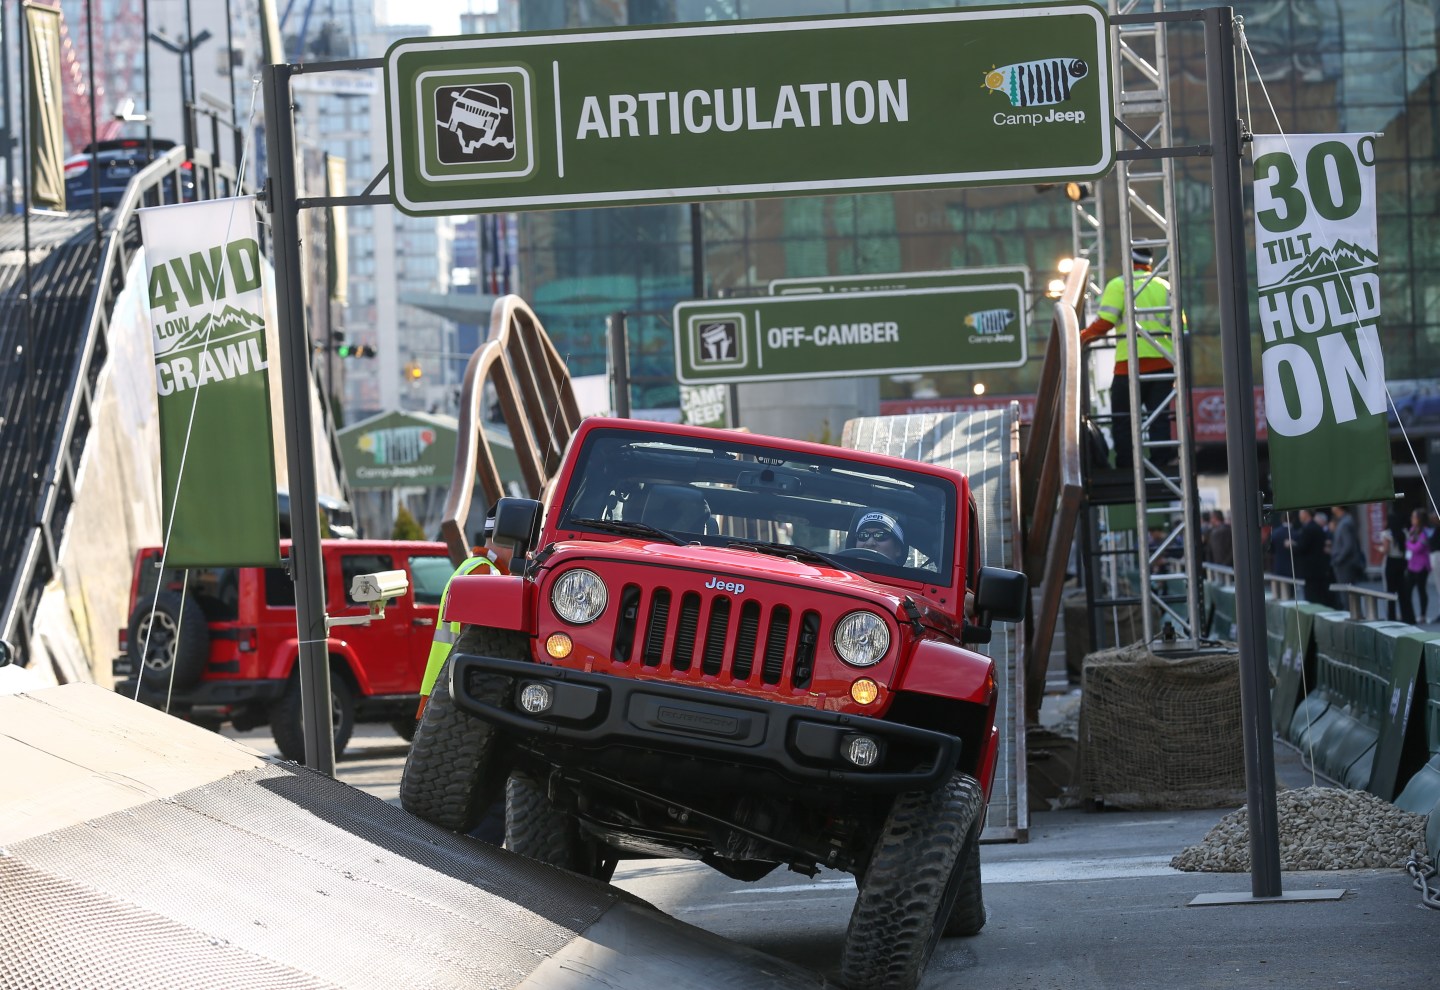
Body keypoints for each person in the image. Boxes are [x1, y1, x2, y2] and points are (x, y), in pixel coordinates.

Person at [1080, 246, 1181, 470]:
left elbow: (1104, 323)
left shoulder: (1120, 285)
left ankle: (1127, 465)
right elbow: (1180, 327)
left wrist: (1081, 338)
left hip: (1130, 366)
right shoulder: (1165, 286)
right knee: (1159, 417)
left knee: (1123, 417)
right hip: (1164, 363)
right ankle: (1161, 463)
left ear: (1127, 259)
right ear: (1149, 263)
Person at [1293, 508, 1332, 606]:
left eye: (1301, 513)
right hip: (1318, 568)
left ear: (1306, 514)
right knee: (1319, 596)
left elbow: (1302, 547)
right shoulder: (1316, 527)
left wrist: (1293, 545)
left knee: (1312, 598)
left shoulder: (1308, 529)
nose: (1299, 516)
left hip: (1311, 570)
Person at [1379, 509, 1411, 623]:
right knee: (1402, 592)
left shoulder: (1387, 534)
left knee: (1390, 591)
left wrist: (1380, 549)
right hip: (1401, 562)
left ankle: (1391, 617)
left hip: (1391, 562)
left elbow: (1386, 550)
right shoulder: (1404, 533)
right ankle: (1406, 616)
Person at [1405, 508, 1432, 624]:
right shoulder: (1412, 530)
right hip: (1412, 565)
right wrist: (1409, 544)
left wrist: (1408, 544)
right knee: (1407, 590)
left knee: (1421, 590)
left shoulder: (1425, 532)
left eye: (1414, 517)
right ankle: (1408, 615)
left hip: (1422, 566)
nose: (1411, 519)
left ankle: (1423, 615)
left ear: (1419, 519)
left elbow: (1417, 548)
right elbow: (1410, 544)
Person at [1328, 504, 1366, 586]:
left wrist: (1338, 559)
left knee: (1346, 590)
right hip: (1343, 563)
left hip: (1345, 564)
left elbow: (1348, 545)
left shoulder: (1345, 522)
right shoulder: (1342, 521)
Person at [1267, 515, 1293, 579]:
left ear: (1282, 519)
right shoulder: (1296, 533)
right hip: (1292, 569)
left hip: (1278, 567)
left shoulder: (1275, 533)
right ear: (1293, 520)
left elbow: (1270, 550)